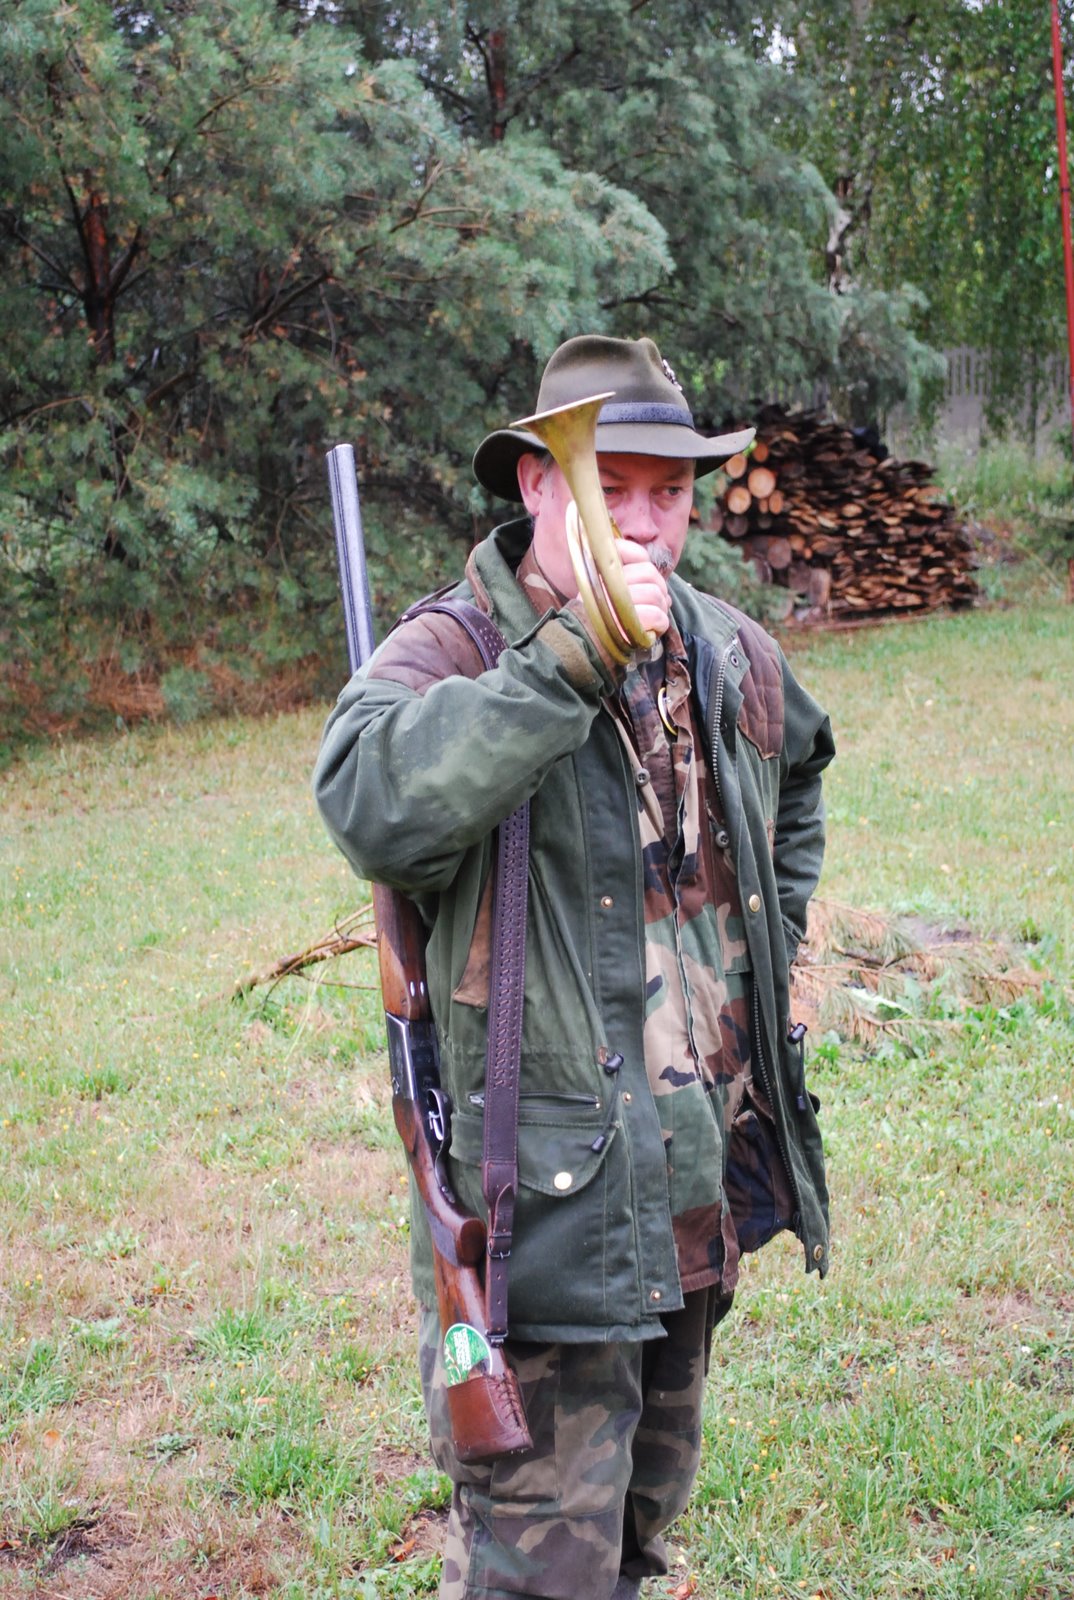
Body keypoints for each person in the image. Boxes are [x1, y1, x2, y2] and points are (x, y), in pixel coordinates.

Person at [314, 335, 835, 1600]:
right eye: (615, 489)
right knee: (539, 1570)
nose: (647, 525)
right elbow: (367, 799)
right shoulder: (456, 650)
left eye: (672, 492)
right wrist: (570, 657)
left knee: (639, 1539)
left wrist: (767, 947)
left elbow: (800, 765)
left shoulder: (721, 645)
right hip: (541, 1217)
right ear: (540, 482)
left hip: (692, 1184)